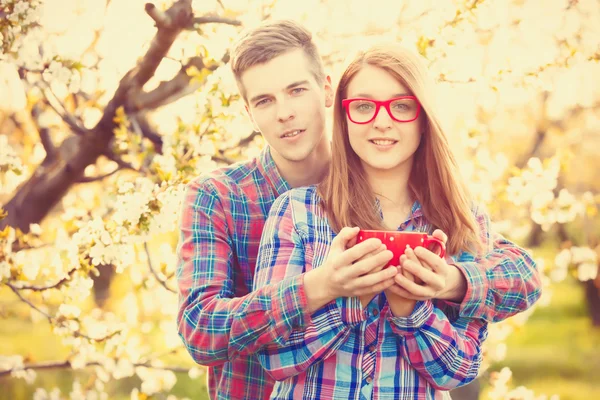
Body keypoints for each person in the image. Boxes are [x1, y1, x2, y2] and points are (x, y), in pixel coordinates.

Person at [176, 20, 541, 400]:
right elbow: (202, 331)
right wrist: (323, 286)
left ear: (327, 91)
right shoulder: (228, 197)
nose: (284, 112)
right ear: (249, 112)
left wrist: (450, 282)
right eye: (264, 100)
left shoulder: (399, 184)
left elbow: (519, 275)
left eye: (297, 90)